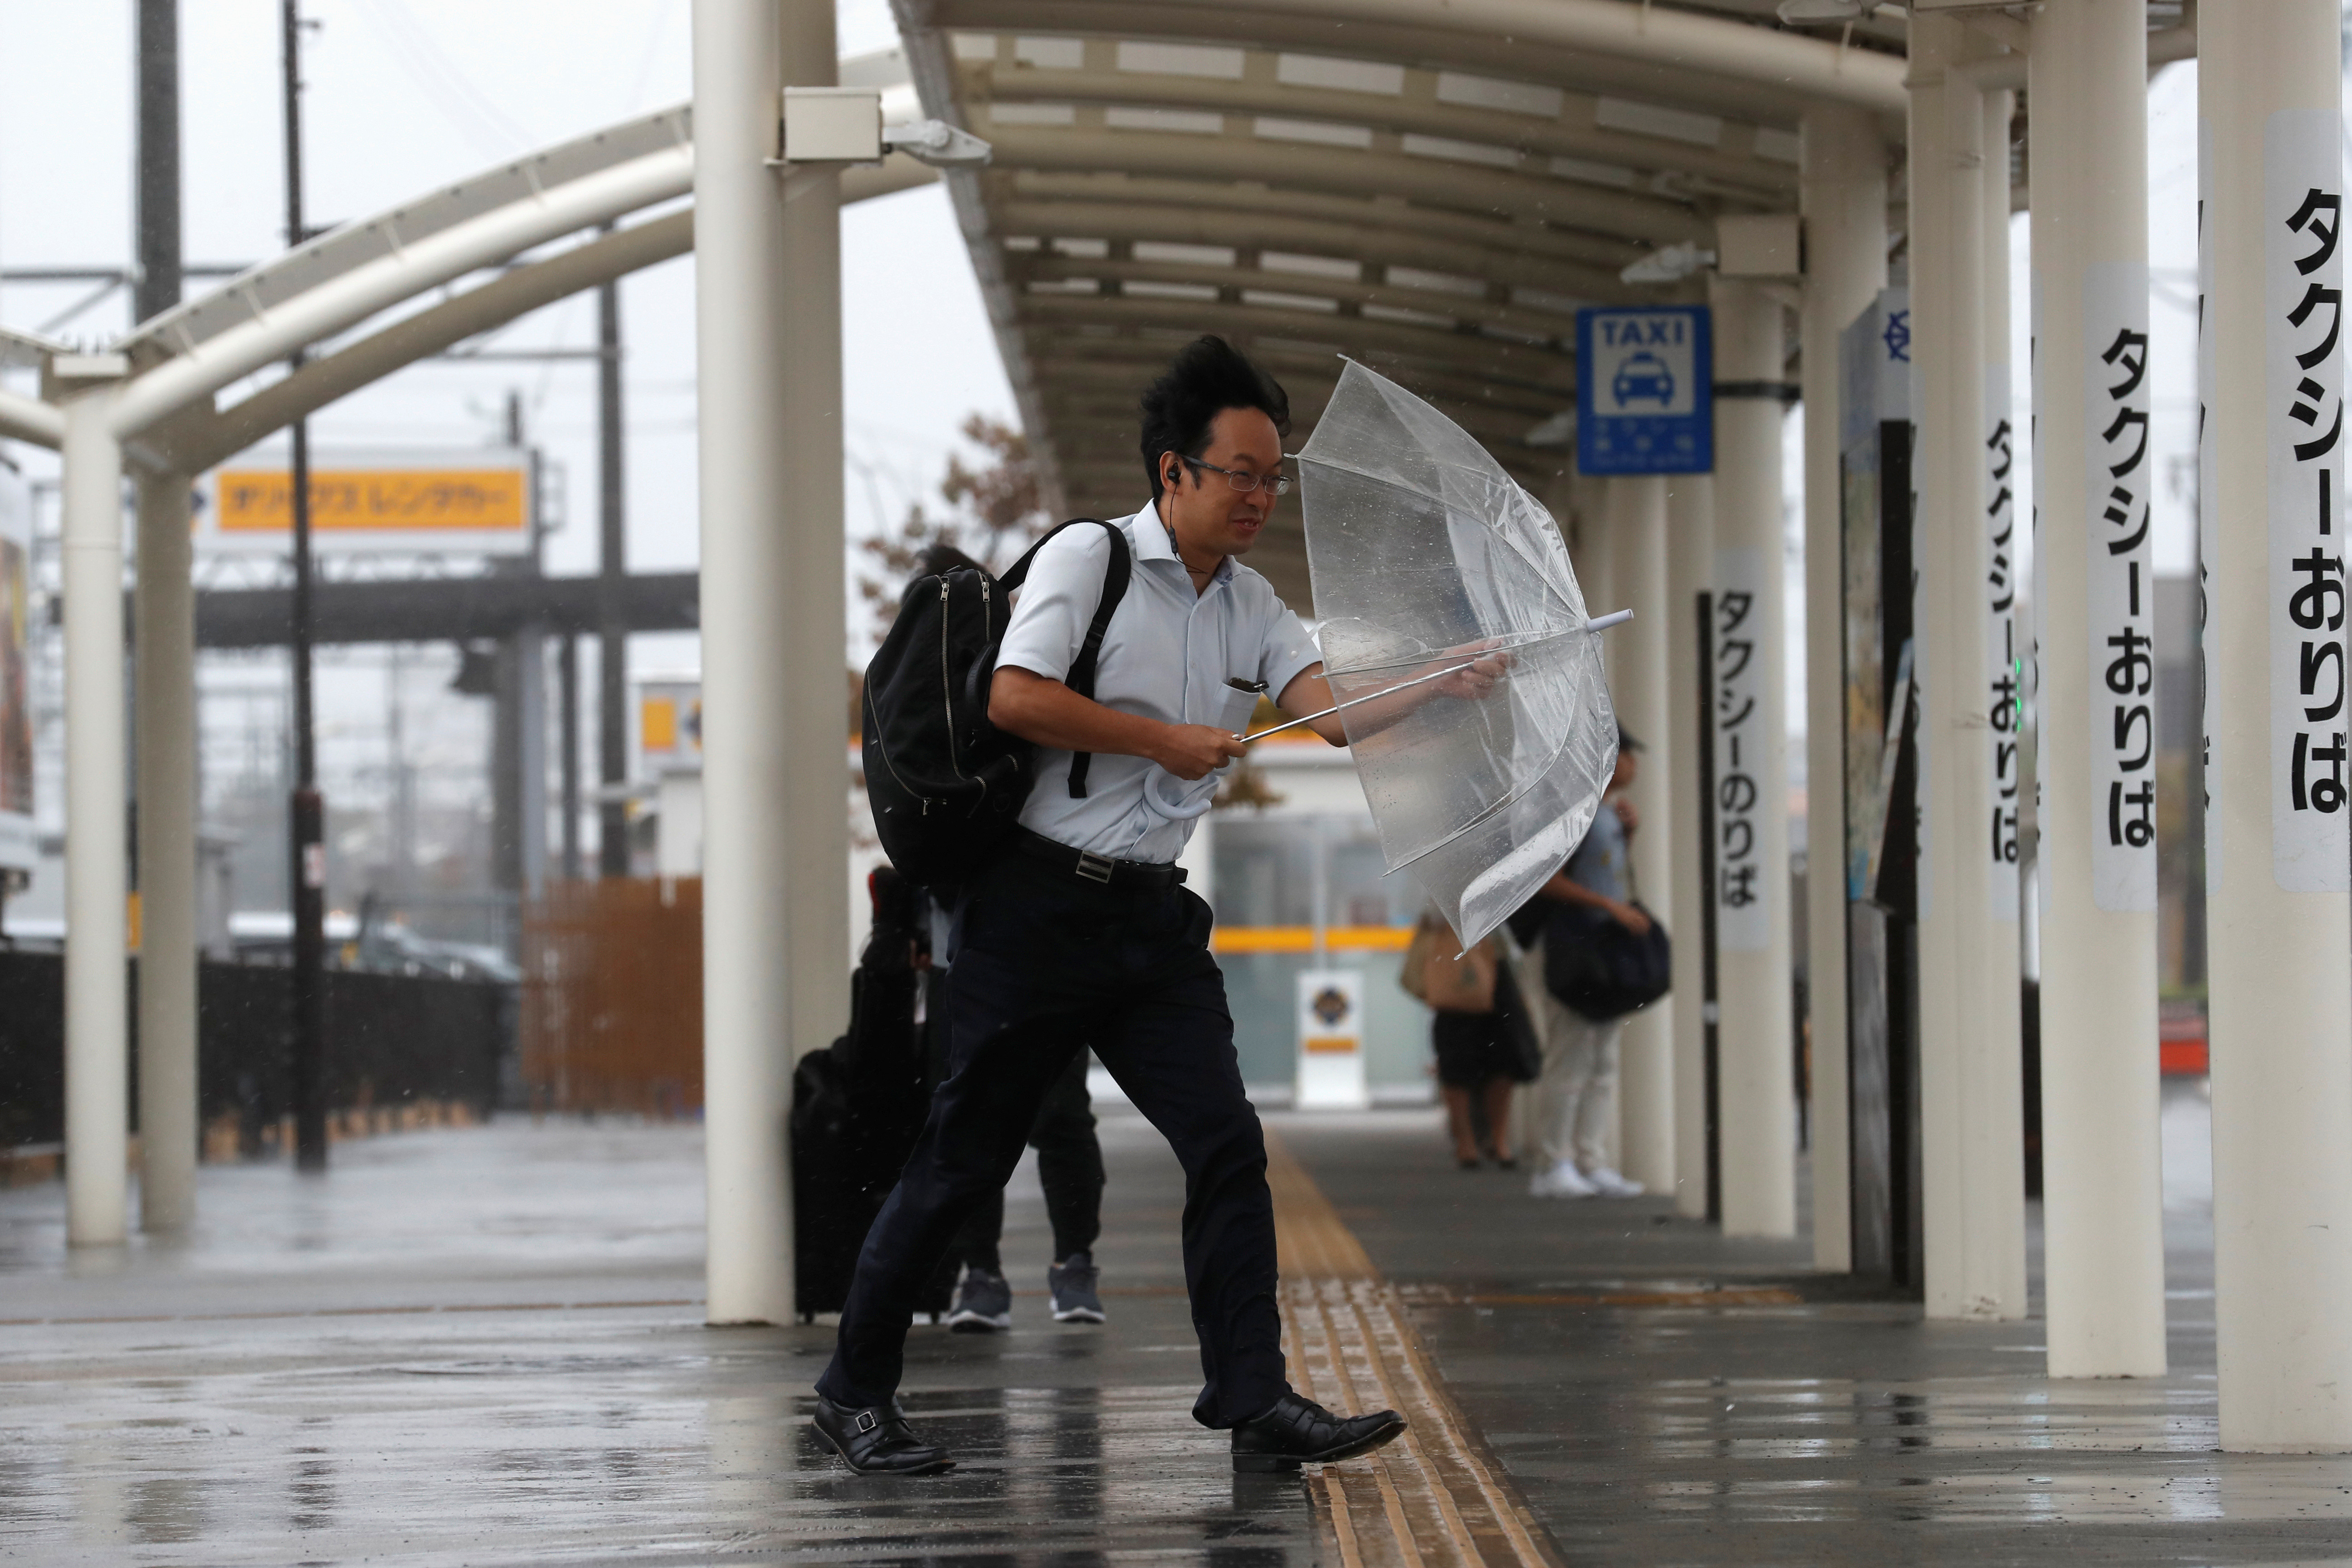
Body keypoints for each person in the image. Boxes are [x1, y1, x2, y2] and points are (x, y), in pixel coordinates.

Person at [813, 335, 1503, 1477]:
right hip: (1032, 908)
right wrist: (1160, 739)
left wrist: (1444, 680)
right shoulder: (1093, 560)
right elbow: (1017, 695)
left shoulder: (1255, 605)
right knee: (965, 1161)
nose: (1261, 496)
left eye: (1273, 476)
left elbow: (1327, 714)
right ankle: (853, 1391)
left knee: (1228, 1143)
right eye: (1241, 472)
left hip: (1149, 925)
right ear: (1173, 472)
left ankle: (1253, 1397)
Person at [1508, 729, 1650, 1201]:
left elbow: (1605, 871)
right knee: (1571, 1052)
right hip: (1573, 946)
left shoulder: (1607, 814)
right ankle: (1554, 1161)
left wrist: (1627, 836)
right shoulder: (1573, 811)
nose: (1634, 765)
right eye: (1629, 755)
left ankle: (1590, 1157)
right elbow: (1547, 880)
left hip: (1601, 947)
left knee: (1601, 1057)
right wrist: (1609, 908)